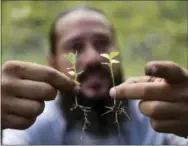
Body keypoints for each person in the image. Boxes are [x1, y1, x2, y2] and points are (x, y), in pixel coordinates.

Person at [1, 6, 188, 145]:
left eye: (102, 43)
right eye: (75, 48)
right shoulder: (34, 124)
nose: (93, 58)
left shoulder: (156, 117)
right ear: (53, 62)